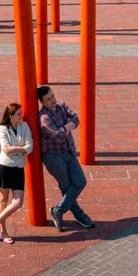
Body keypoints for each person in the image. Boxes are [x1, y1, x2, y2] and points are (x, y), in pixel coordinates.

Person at [37, 85, 94, 231]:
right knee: (66, 186)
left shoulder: (61, 105)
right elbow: (58, 137)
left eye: (53, 96)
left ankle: (58, 210)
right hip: (54, 157)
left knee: (80, 181)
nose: (53, 100)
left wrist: (63, 128)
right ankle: (80, 216)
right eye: (48, 99)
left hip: (69, 151)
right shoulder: (44, 118)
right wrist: (67, 128)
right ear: (42, 102)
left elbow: (76, 118)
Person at [0, 102, 33, 244]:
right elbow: (6, 149)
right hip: (4, 167)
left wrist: (17, 149)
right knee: (3, 200)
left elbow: (30, 146)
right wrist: (22, 148)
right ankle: (3, 232)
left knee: (18, 202)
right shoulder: (2, 128)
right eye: (18, 114)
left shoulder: (24, 126)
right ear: (11, 116)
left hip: (18, 168)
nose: (21, 116)